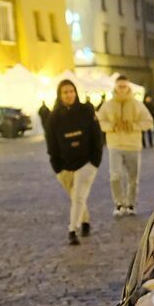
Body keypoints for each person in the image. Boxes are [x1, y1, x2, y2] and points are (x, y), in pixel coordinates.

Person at [47, 79, 104, 244]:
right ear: (60, 95)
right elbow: (51, 143)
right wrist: (57, 167)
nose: (69, 94)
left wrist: (95, 161)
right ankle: (85, 221)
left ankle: (72, 229)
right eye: (65, 92)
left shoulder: (86, 110)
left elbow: (96, 137)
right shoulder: (54, 117)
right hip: (64, 166)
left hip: (86, 163)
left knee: (78, 196)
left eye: (72, 91)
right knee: (76, 197)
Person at [98, 76, 154, 216]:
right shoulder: (108, 104)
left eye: (124, 86)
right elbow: (99, 121)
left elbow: (148, 122)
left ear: (129, 86)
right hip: (114, 144)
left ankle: (130, 204)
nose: (122, 88)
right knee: (115, 175)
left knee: (133, 177)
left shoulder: (137, 104)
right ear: (115, 87)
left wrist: (133, 126)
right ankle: (119, 203)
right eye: (120, 86)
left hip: (133, 145)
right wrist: (111, 126)